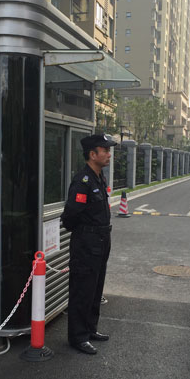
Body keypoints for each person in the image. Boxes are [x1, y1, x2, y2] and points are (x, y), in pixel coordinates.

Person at [61, 134, 116, 355]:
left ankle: (90, 329)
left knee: (95, 288)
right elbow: (70, 216)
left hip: (102, 240)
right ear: (93, 154)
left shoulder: (99, 178)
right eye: (105, 150)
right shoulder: (82, 181)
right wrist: (85, 233)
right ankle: (78, 337)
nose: (109, 154)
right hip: (87, 242)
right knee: (82, 290)